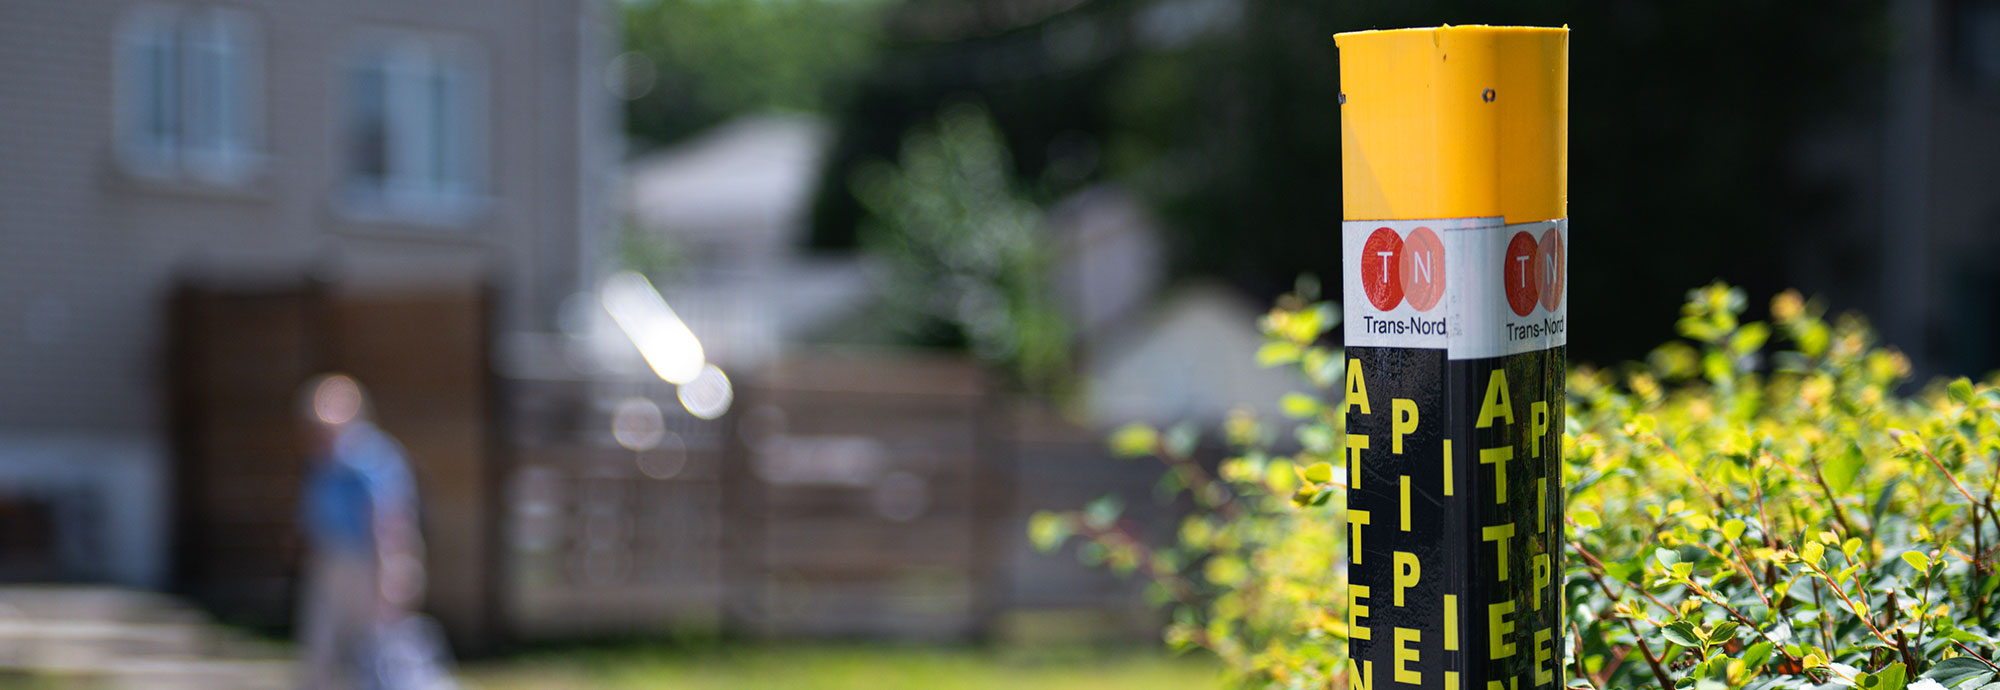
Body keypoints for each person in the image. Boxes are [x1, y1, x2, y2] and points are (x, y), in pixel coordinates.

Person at [295, 374, 450, 690]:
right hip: (332, 562)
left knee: (377, 653)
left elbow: (392, 521)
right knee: (323, 652)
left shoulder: (372, 459)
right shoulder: (321, 462)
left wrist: (392, 575)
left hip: (371, 563)